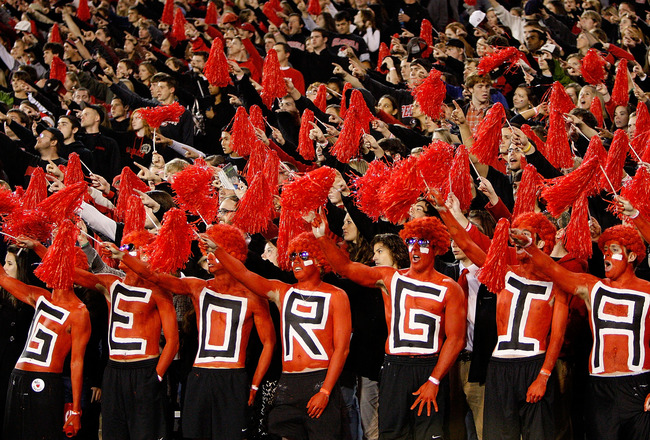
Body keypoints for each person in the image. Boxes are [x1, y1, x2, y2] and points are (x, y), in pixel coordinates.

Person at [107, 224, 276, 440]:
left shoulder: (254, 297)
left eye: (216, 252)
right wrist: (125, 256)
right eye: (207, 253)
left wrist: (254, 383)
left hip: (233, 377)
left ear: (233, 254)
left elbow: (269, 343)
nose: (210, 257)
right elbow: (156, 278)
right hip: (199, 375)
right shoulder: (198, 287)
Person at [313, 215, 467, 440]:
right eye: (411, 241)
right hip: (394, 367)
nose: (414, 248)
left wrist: (434, 380)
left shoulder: (450, 288)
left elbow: (456, 339)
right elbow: (346, 268)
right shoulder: (390, 278)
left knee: (431, 435)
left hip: (430, 367)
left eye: (422, 243)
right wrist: (322, 238)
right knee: (392, 434)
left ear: (436, 247)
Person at [432, 192, 569, 440]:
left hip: (535, 364)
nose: (516, 240)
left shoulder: (557, 282)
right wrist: (444, 210)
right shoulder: (504, 273)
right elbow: (466, 245)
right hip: (499, 367)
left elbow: (557, 336)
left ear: (540, 243)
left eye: (524, 235)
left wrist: (544, 375)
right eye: (515, 236)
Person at [511, 198, 650, 440]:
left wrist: (637, 215)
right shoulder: (591, 286)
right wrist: (531, 248)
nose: (606, 254)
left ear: (630, 257)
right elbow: (553, 270)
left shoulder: (648, 290)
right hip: (600, 387)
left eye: (614, 250)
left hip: (640, 385)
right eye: (604, 250)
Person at [18, 234, 179, 440]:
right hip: (113, 372)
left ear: (149, 257)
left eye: (135, 250)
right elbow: (70, 273)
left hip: (144, 370)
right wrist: (38, 246)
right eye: (126, 249)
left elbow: (173, 341)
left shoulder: (160, 292)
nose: (126, 253)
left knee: (145, 433)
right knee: (114, 432)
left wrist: (156, 375)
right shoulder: (110, 284)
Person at [209, 232, 352, 440]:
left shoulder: (337, 295)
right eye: (293, 256)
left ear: (319, 259)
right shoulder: (282, 291)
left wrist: (326, 391)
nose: (296, 261)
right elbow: (244, 275)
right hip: (288, 383)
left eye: (303, 255)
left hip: (320, 379)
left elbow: (342, 348)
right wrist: (218, 251)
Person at [0, 246, 90, 439]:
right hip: (17, 378)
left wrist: (75, 410)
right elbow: (4, 279)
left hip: (46, 382)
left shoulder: (80, 312)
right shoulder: (40, 296)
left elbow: (76, 363)